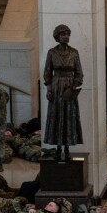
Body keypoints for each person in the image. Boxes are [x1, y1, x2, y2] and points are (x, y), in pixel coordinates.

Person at [43, 24, 84, 160]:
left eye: (67, 34)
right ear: (57, 36)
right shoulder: (52, 53)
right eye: (62, 34)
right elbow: (47, 73)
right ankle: (57, 148)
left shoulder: (74, 52)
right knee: (56, 116)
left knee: (69, 117)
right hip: (56, 87)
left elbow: (79, 73)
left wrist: (73, 86)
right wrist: (49, 89)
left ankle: (67, 148)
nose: (65, 37)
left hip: (69, 87)